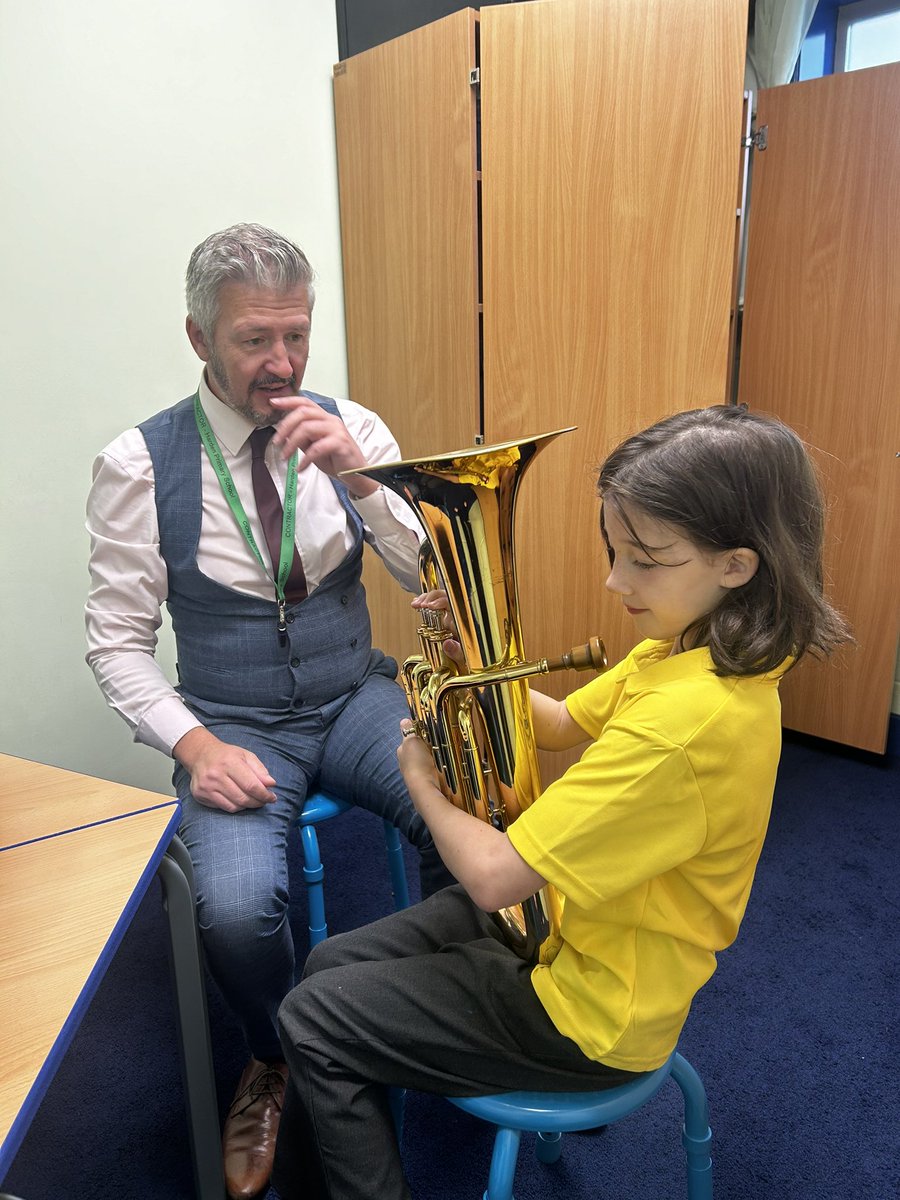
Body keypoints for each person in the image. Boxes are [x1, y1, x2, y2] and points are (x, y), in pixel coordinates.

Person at [269, 404, 851, 1200]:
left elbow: (497, 876)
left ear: (737, 565)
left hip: (589, 1014)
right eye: (616, 550)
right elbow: (555, 725)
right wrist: (467, 652)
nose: (616, 580)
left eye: (645, 558)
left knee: (312, 1020)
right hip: (571, 931)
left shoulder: (688, 725)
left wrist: (419, 779)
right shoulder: (687, 651)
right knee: (328, 964)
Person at [84, 223, 452, 1200]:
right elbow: (115, 642)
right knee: (238, 913)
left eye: (297, 334)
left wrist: (363, 483)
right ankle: (278, 1052)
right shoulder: (137, 463)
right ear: (200, 337)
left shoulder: (354, 428)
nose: (282, 362)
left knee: (468, 814)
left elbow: (441, 582)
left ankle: (437, 1001)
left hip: (351, 693)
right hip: (233, 721)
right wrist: (195, 746)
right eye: (255, 339)